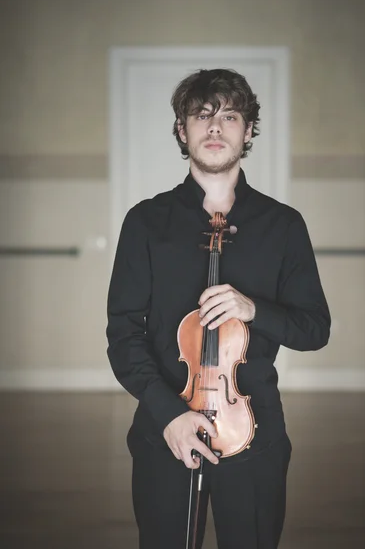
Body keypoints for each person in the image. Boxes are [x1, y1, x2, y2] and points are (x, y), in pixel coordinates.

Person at [106, 68, 331, 549]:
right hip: (164, 428)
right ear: (182, 130)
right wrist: (170, 414)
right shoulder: (146, 222)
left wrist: (254, 309)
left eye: (229, 116)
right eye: (201, 115)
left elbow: (314, 328)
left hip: (255, 432)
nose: (214, 127)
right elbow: (123, 335)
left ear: (248, 131)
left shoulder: (284, 226)